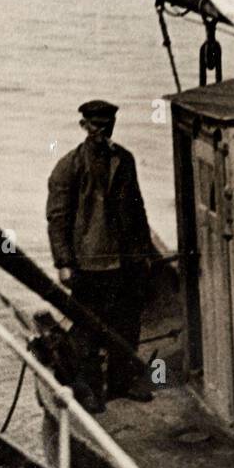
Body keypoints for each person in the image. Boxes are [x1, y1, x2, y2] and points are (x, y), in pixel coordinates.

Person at [46, 100, 154, 403]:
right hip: (89, 262)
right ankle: (89, 389)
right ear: (84, 126)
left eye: (107, 125)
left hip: (124, 259)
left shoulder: (125, 160)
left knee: (127, 323)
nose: (102, 131)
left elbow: (138, 208)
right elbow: (57, 219)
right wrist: (64, 263)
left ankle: (122, 382)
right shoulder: (68, 167)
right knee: (87, 328)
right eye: (95, 125)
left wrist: (144, 252)